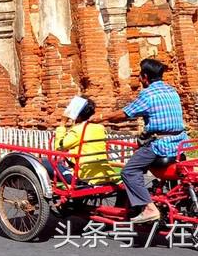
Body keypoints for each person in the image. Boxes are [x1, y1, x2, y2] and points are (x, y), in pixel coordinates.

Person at [95, 58, 187, 224]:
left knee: (129, 172)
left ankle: (149, 209)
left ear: (145, 76)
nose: (138, 79)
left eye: (140, 75)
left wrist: (101, 118)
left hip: (161, 145)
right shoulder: (172, 91)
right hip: (180, 142)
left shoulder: (148, 94)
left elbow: (124, 114)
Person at [53, 96, 118, 184]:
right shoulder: (100, 128)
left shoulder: (78, 130)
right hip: (104, 173)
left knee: (44, 162)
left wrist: (62, 123)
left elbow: (59, 147)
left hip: (84, 175)